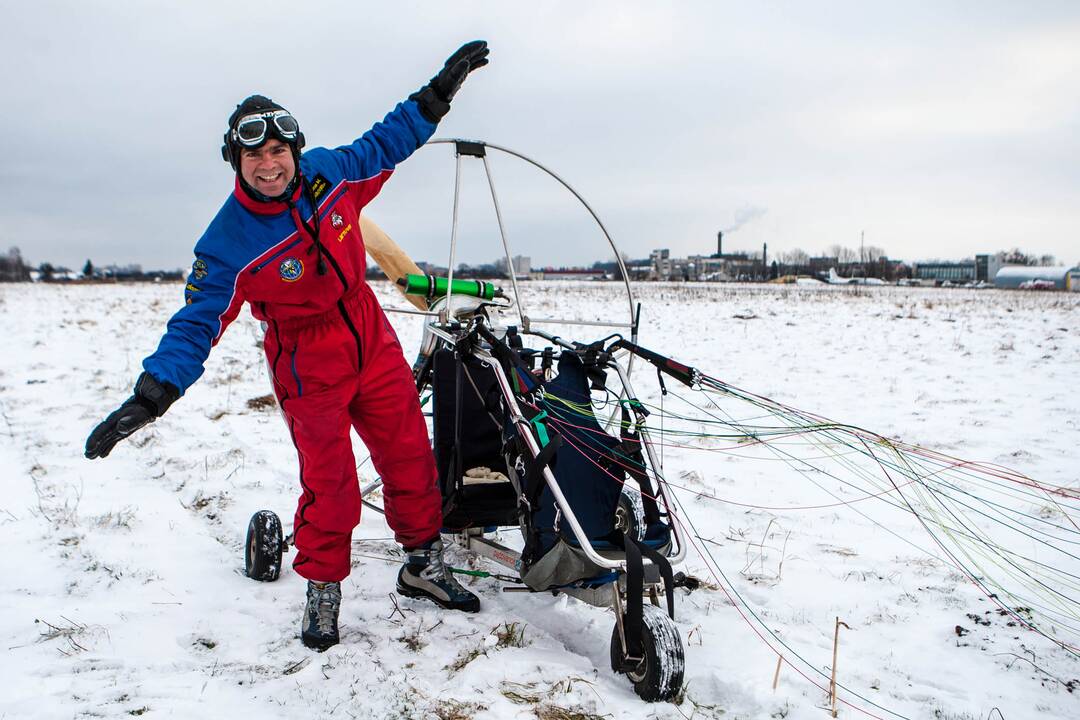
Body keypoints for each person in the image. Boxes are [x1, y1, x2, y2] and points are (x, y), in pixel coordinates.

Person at [84, 41, 490, 651]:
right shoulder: (227, 242)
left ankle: (423, 565)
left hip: (369, 332)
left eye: (278, 151)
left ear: (294, 152)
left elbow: (387, 142)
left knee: (409, 453)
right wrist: (154, 391)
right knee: (331, 484)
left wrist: (435, 98)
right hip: (307, 360)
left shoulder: (330, 173)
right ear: (235, 161)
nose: (269, 165)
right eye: (254, 155)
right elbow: (197, 322)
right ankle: (324, 590)